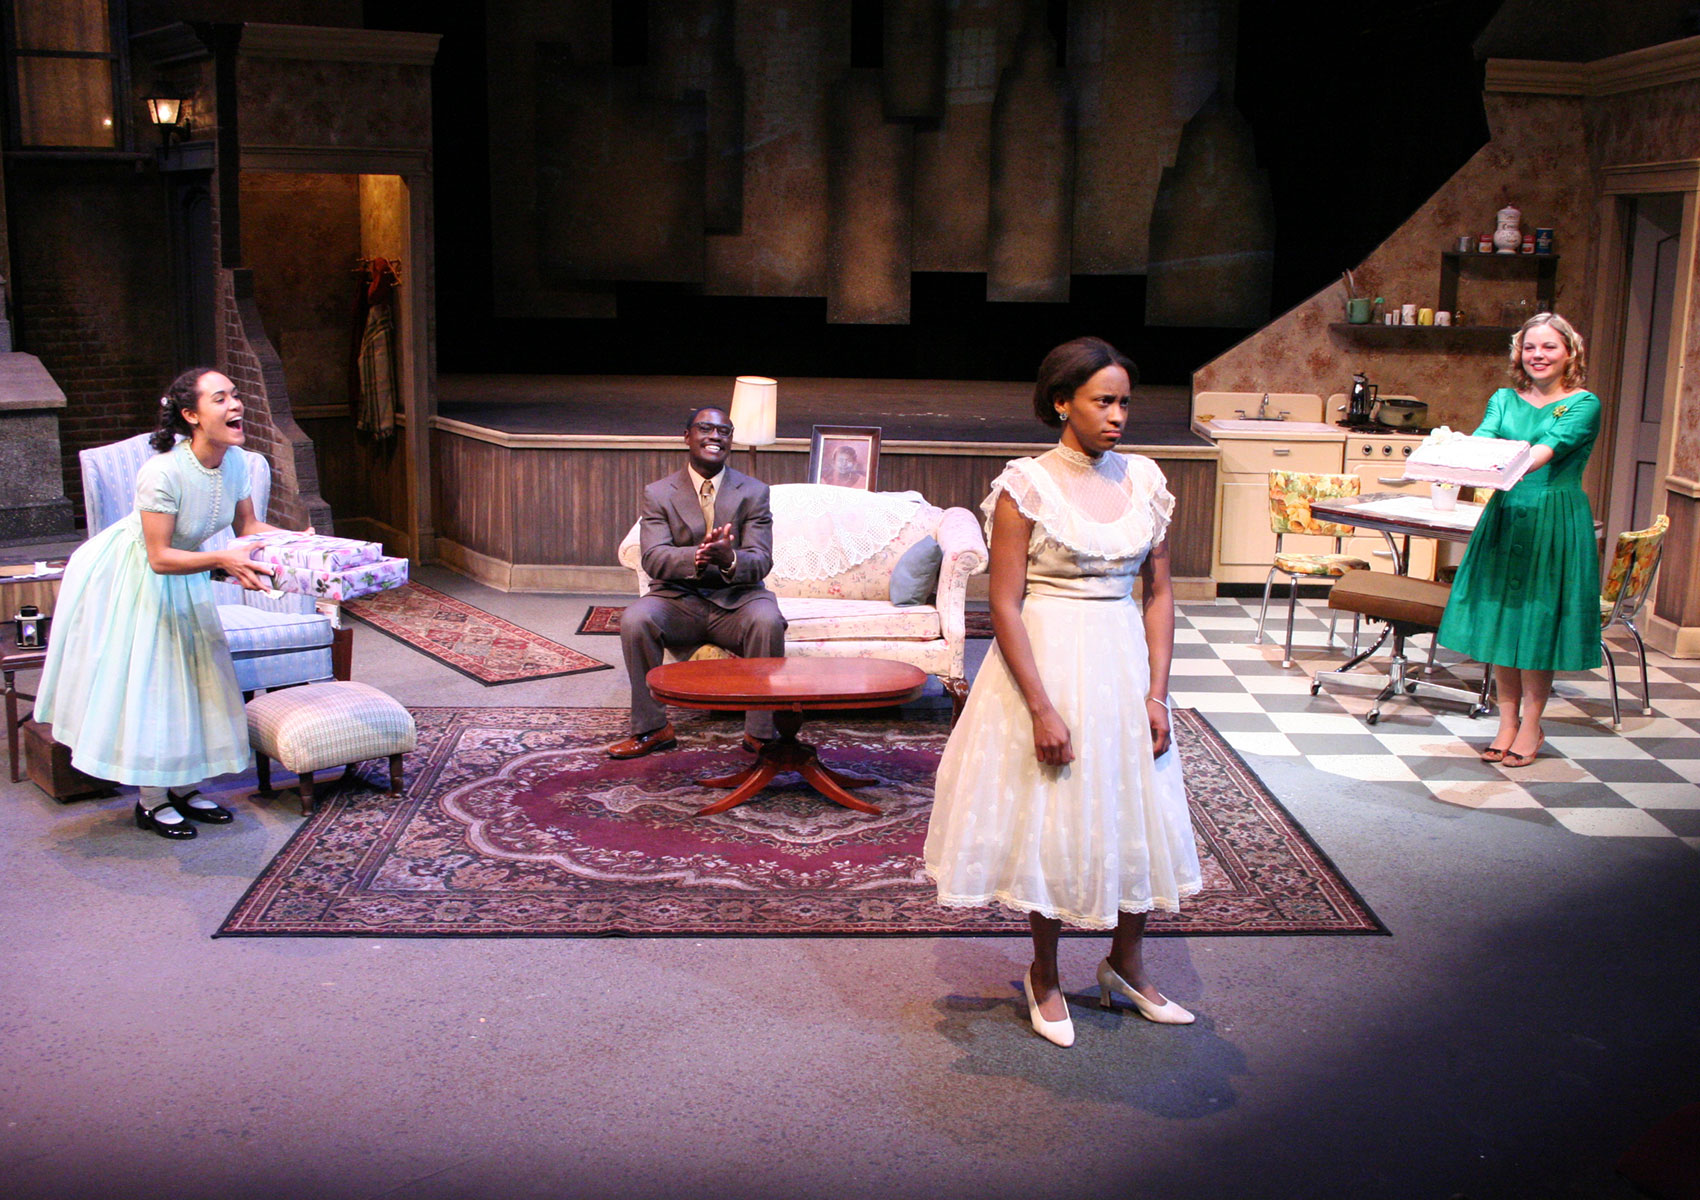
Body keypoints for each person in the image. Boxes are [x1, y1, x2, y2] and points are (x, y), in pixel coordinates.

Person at [923, 337, 1201, 1048]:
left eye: (1124, 402)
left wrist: (1158, 692)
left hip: (1120, 658)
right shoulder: (1026, 486)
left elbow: (1160, 592)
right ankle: (1044, 974)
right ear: (1061, 403)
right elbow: (1006, 603)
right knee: (1052, 810)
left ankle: (1126, 965)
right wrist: (1043, 705)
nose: (1118, 417)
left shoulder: (1145, 479)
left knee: (1134, 801)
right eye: (1103, 402)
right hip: (1048, 659)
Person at [35, 367, 288, 839]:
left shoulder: (235, 462)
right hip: (131, 576)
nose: (235, 405)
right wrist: (222, 560)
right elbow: (158, 556)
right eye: (220, 399)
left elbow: (249, 527)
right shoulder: (162, 471)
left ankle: (186, 788)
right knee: (155, 683)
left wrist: (304, 542)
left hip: (187, 570)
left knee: (196, 678)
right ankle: (151, 801)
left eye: (234, 395)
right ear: (192, 415)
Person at [1437, 313, 1602, 767]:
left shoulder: (1583, 404)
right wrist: (1453, 451)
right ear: (1519, 353)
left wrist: (1496, 461)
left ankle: (1532, 724)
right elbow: (1484, 439)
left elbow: (1544, 450)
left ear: (1569, 351)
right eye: (1531, 348)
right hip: (1506, 516)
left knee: (1536, 622)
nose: (1539, 356)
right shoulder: (1504, 400)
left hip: (1553, 518)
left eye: (1549, 347)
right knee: (1502, 620)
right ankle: (1505, 722)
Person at [608, 406, 787, 758]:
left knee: (767, 620)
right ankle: (652, 729)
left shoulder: (754, 492)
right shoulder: (658, 493)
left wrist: (730, 558)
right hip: (679, 599)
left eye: (724, 432)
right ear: (687, 436)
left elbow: (761, 560)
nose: (715, 437)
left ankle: (760, 735)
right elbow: (654, 558)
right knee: (636, 619)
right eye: (706, 429)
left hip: (738, 599)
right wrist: (699, 556)